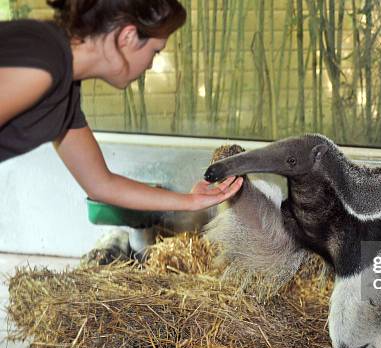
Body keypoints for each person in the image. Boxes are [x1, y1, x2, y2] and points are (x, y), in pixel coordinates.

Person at [0, 0, 243, 211]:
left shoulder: (66, 92)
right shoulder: (46, 58)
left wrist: (190, 201)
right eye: (155, 52)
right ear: (128, 36)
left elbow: (101, 184)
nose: (150, 65)